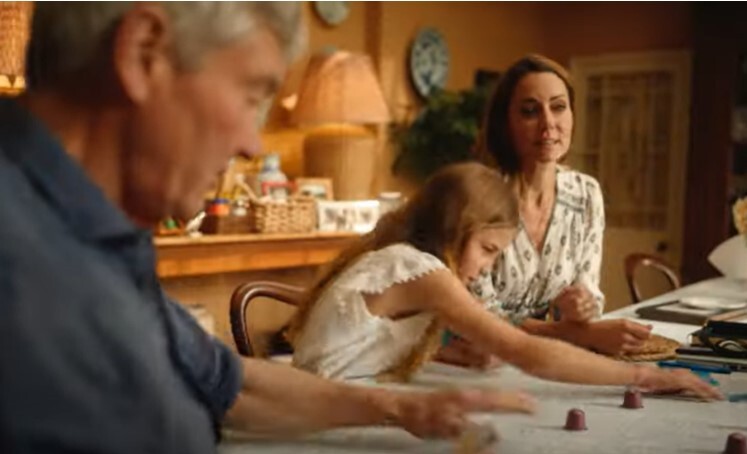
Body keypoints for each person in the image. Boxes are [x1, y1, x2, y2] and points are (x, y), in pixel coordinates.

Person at [0, 4, 535, 453]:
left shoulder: (99, 230)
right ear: (143, 53)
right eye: (252, 95)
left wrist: (400, 407)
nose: (253, 145)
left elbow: (233, 384)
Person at [289, 162, 721, 403]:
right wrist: (646, 376)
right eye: (489, 250)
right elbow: (527, 352)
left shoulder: (405, 260)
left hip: (332, 402)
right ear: (458, 228)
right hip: (314, 412)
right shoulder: (418, 270)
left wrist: (451, 349)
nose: (486, 269)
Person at [440, 54, 655, 367]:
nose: (548, 123)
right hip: (469, 362)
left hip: (539, 364)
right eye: (530, 111)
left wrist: (582, 307)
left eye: (558, 107)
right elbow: (477, 317)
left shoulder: (586, 194)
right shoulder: (478, 196)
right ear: (506, 124)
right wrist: (579, 335)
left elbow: (590, 291)